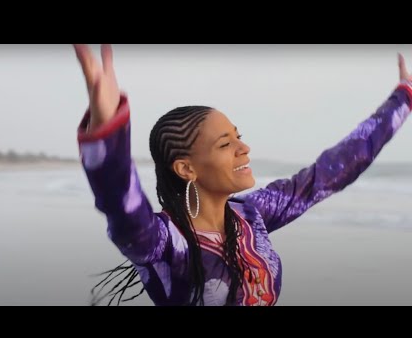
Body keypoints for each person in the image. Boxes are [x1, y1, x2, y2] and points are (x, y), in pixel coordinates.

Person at [74, 44, 412, 306]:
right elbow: (121, 204)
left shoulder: (250, 215)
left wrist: (403, 99)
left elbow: (333, 170)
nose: (244, 148)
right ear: (186, 168)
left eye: (239, 135)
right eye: (225, 143)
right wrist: (107, 131)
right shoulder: (163, 241)